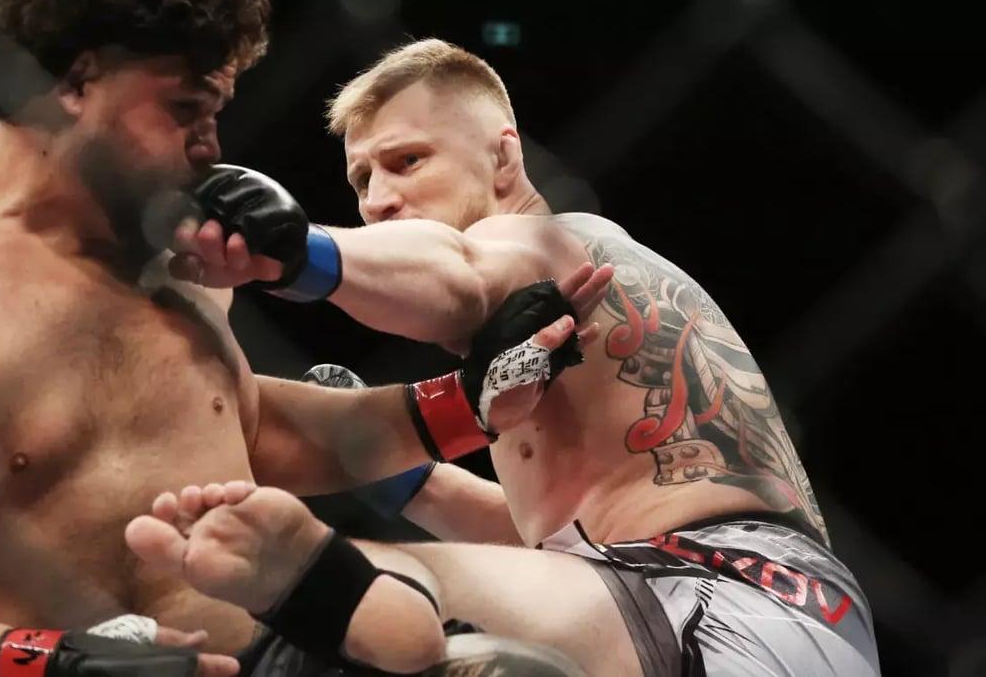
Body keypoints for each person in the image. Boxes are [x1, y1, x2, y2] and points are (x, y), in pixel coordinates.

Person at [0, 0, 605, 673]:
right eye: (184, 109)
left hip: (271, 656)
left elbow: (242, 426)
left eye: (218, 110)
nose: (211, 146)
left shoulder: (180, 259)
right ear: (74, 82)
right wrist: (44, 665)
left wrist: (461, 403)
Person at [168, 39, 880, 674]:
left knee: (337, 596)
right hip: (730, 614)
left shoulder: (556, 244)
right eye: (361, 181)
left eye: (407, 161)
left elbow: (458, 272)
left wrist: (301, 251)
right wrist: (413, 482)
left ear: (502, 155)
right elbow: (552, 545)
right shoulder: (532, 363)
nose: (380, 200)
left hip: (735, 589)